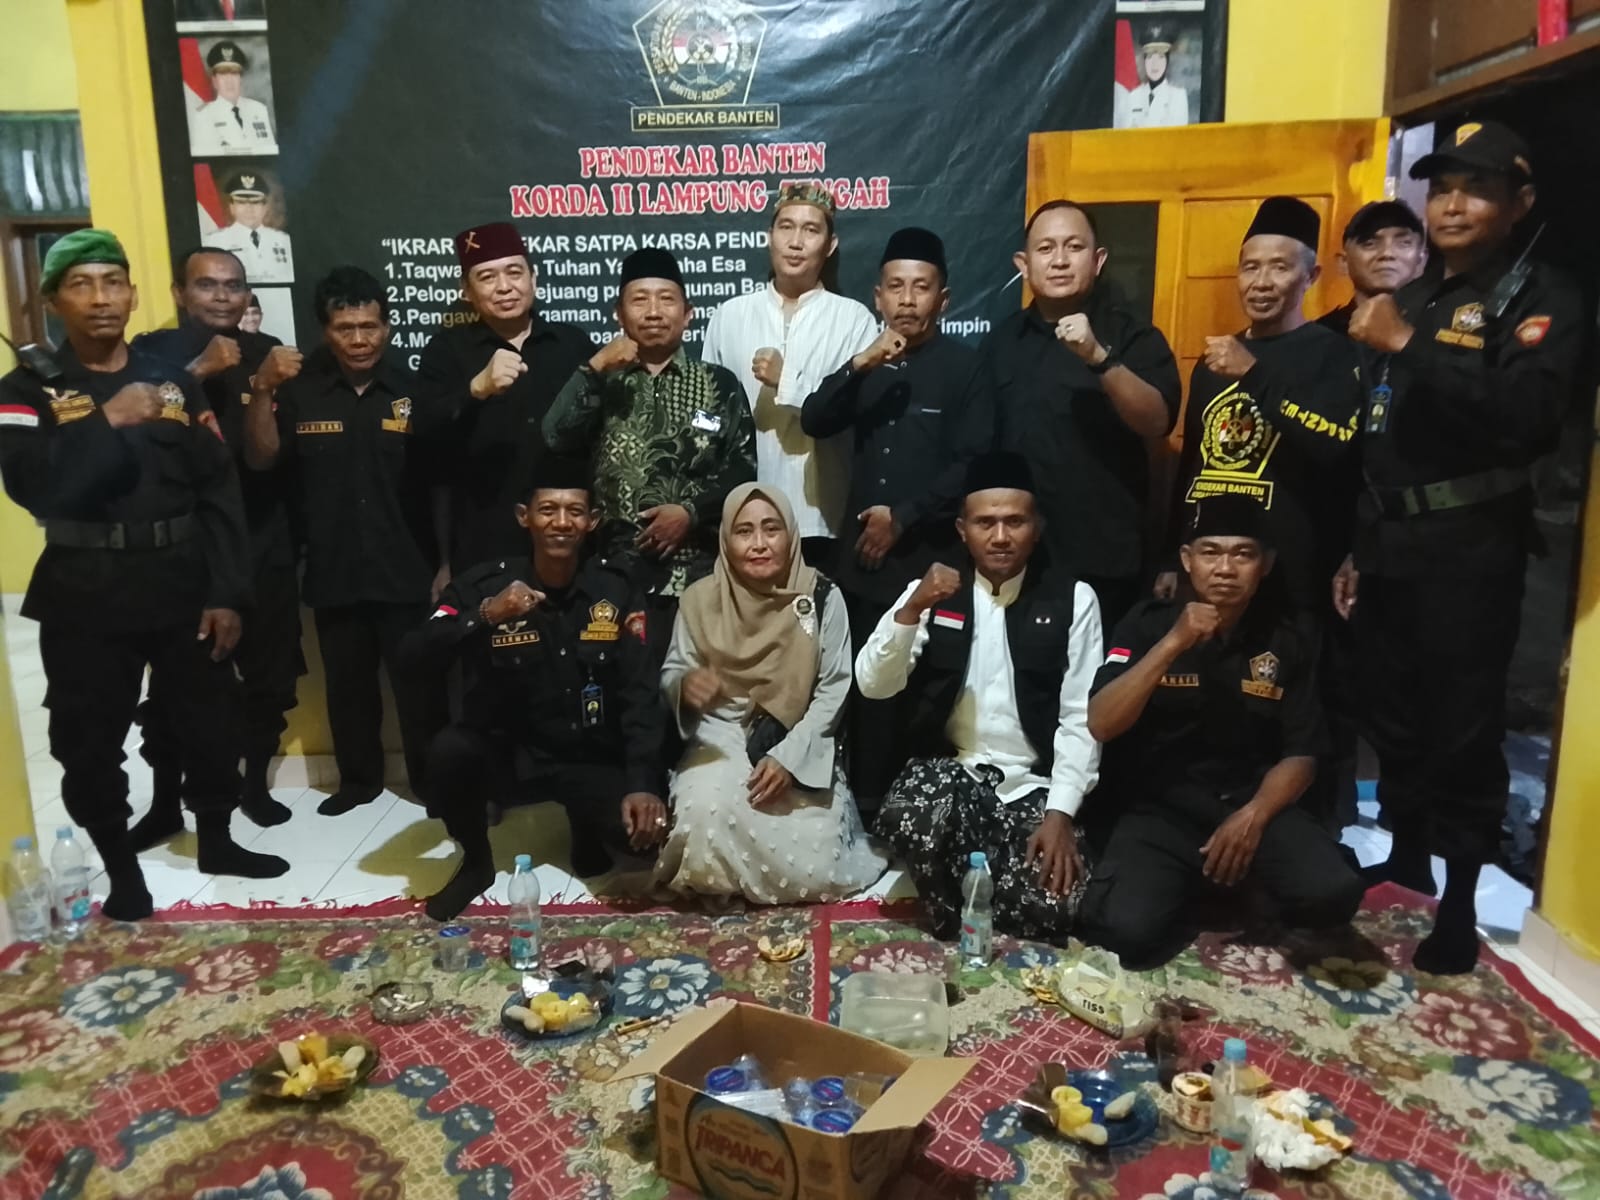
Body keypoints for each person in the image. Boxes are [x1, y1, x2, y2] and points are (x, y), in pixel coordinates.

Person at [1339, 121, 1582, 974]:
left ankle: (1462, 902)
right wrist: (1356, 548)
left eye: (1476, 188)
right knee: (1395, 717)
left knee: (1462, 730)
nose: (1451, 204)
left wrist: (1408, 347)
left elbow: (1527, 418)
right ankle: (1407, 859)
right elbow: (1383, 437)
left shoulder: (1541, 299)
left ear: (1520, 202)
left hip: (1470, 548)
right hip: (1392, 542)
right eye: (1441, 187)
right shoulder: (1418, 296)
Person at [0, 229, 288, 918]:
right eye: (81, 285)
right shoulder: (28, 389)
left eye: (113, 283)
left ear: (132, 294)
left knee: (210, 721)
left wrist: (227, 591)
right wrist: (108, 419)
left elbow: (217, 489)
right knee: (87, 741)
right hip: (85, 588)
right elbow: (35, 488)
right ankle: (124, 873)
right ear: (53, 301)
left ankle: (217, 839)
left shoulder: (173, 381)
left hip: (182, 580)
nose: (100, 298)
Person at [1081, 495, 1365, 968]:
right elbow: (1101, 723)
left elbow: (1302, 754)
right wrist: (1173, 643)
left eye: (1243, 554)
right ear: (1187, 560)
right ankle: (1204, 885)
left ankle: (1227, 877)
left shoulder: (1287, 639)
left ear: (1265, 564)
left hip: (1246, 805)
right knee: (1125, 933)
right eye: (1210, 552)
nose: (1226, 569)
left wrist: (1254, 816)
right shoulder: (1146, 624)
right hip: (1159, 810)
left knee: (1334, 894)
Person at [399, 461, 670, 920]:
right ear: (524, 517)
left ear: (592, 521)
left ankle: (585, 828)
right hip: (511, 754)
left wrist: (643, 784)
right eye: (547, 510)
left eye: (574, 511)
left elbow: (640, 691)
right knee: (449, 752)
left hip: (587, 754)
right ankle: (476, 863)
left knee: (641, 840)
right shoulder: (486, 586)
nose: (561, 522)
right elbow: (411, 657)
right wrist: (486, 615)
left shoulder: (615, 589)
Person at [858, 452, 1102, 939]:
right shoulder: (932, 589)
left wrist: (1059, 814)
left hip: (1033, 786)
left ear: (1037, 527)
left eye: (1015, 522)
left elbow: (1082, 718)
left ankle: (963, 874)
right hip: (953, 777)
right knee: (908, 816)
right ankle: (977, 871)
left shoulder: (1073, 599)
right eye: (985, 523)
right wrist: (913, 607)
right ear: (962, 530)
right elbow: (873, 683)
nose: (1000, 536)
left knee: (1058, 907)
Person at [243, 266, 449, 815]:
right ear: (325, 330)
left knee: (419, 688)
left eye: (369, 326)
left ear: (387, 327)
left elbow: (441, 484)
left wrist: (446, 562)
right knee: (347, 686)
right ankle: (358, 782)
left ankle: (431, 783)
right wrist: (262, 389)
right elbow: (261, 461)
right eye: (345, 328)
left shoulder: (414, 390)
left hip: (408, 568)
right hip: (333, 567)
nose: (359, 340)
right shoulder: (300, 390)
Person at [799, 227, 989, 814]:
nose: (908, 300)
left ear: (944, 298)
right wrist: (861, 363)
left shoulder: (966, 368)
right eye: (896, 287)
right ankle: (866, 808)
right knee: (865, 689)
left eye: (921, 287)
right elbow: (814, 420)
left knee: (928, 691)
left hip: (932, 559)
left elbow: (973, 461)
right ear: (877, 296)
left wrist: (902, 517)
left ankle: (922, 811)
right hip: (864, 565)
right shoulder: (868, 364)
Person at [129, 246, 304, 841]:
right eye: (208, 285)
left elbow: (263, 459)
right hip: (183, 544)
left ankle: (253, 786)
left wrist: (262, 386)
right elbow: (133, 439)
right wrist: (197, 371)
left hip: (260, 536)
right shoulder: (149, 353)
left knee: (270, 675)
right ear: (180, 293)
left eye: (234, 285)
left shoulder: (267, 353)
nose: (223, 295)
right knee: (175, 680)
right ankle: (164, 802)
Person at [657, 482, 886, 902]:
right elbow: (675, 669)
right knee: (704, 815)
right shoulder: (697, 600)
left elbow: (834, 688)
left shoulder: (823, 596)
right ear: (726, 539)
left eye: (771, 529)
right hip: (720, 736)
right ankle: (721, 886)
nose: (759, 544)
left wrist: (788, 756)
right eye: (744, 531)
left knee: (819, 867)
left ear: (791, 535)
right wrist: (685, 687)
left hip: (800, 734)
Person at [1157, 197, 1364, 614]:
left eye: (1279, 267)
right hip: (1214, 573)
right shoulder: (1215, 360)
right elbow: (1194, 466)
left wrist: (1254, 375)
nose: (1262, 282)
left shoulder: (1334, 354)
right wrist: (1170, 559)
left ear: (1310, 276)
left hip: (1296, 570)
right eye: (1251, 267)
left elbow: (1337, 447)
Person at [980, 201, 1182, 627]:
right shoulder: (1000, 343)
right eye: (1045, 248)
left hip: (1105, 558)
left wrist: (1098, 358)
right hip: (1016, 556)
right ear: (1023, 263)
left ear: (1098, 260)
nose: (1059, 260)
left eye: (1074, 247)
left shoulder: (1133, 335)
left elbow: (1158, 421)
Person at [543, 248, 755, 648]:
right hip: (611, 579)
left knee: (695, 683)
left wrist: (690, 512)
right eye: (640, 300)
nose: (654, 311)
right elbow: (555, 437)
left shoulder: (720, 383)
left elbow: (743, 470)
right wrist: (594, 368)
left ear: (688, 314)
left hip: (699, 577)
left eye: (666, 299)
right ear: (619, 315)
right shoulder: (603, 381)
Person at [702, 183, 878, 565]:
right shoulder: (730, 316)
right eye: (786, 227)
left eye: (811, 230)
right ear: (770, 236)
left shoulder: (854, 320)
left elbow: (852, 413)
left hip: (822, 515)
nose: (796, 242)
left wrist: (788, 380)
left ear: (830, 245)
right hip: (742, 513)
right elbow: (707, 415)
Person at [419, 222, 595, 575]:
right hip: (483, 536)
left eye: (514, 272)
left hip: (567, 537)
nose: (504, 287)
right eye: (487, 277)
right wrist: (475, 389)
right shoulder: (446, 351)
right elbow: (423, 432)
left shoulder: (572, 344)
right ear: (466, 290)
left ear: (534, 278)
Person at [1318, 201, 1428, 336]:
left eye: (1403, 243)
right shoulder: (1317, 338)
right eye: (1369, 244)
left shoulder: (1438, 330)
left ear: (1421, 259)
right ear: (1344, 262)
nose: (1387, 253)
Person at [188, 40, 278, 157]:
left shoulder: (259, 109)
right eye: (223, 74)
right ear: (214, 81)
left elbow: (270, 153)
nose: (229, 80)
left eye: (234, 73)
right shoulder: (203, 117)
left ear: (240, 79)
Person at [211, 171, 292, 284]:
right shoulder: (215, 241)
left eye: (255, 202)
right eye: (241, 202)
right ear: (231, 206)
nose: (249, 209)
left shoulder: (283, 239)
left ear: (265, 207)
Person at [1114, 26, 1190, 129]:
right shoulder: (1133, 96)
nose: (1154, 64)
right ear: (1144, 61)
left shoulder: (1177, 97)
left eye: (1160, 57)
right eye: (1149, 57)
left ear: (1167, 61)